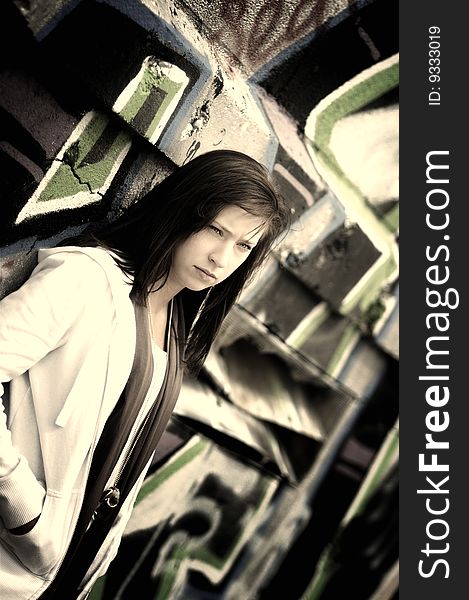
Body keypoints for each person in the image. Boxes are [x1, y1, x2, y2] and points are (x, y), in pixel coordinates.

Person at [0, 149, 291, 599]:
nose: (221, 257)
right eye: (215, 229)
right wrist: (23, 507)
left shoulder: (174, 332)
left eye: (243, 246)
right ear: (182, 210)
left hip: (56, 581)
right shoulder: (88, 280)